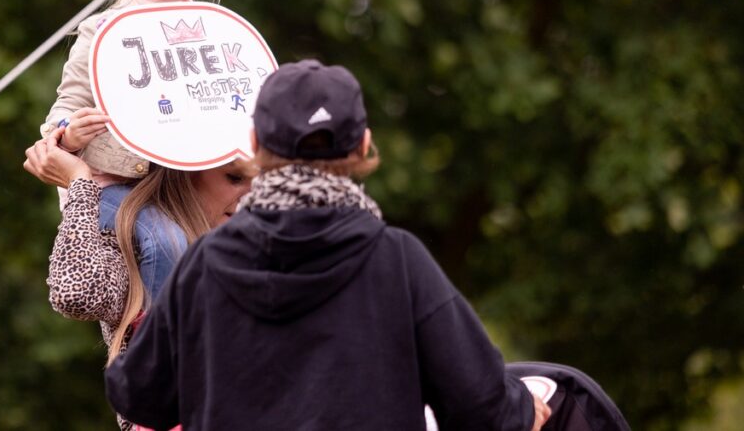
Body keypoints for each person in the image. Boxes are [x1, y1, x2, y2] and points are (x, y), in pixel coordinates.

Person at [104, 60, 552, 431]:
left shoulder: (203, 266)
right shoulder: (397, 260)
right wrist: (526, 407)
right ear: (363, 147)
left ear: (256, 143)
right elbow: (484, 407)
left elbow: (140, 397)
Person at [39, 0, 232, 209]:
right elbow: (64, 112)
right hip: (118, 195)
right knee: (163, 244)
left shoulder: (215, 33)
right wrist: (69, 134)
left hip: (188, 197)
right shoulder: (102, 32)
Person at [23, 130, 254, 362]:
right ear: (188, 171)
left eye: (265, 180)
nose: (253, 195)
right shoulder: (140, 252)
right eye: (235, 178)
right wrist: (80, 181)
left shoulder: (268, 253)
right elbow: (75, 293)